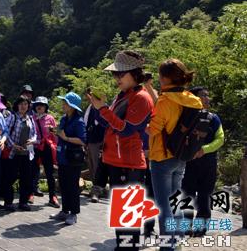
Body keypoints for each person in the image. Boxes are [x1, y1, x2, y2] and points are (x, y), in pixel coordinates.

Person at [87, 50, 154, 250]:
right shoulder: (123, 95)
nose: (116, 78)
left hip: (130, 164)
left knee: (129, 221)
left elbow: (127, 129)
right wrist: (99, 108)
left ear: (134, 73)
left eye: (120, 74)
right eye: (115, 74)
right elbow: (110, 125)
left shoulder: (142, 98)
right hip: (116, 161)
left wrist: (103, 109)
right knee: (121, 219)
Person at [146, 59, 202, 251]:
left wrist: (147, 126)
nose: (159, 78)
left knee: (164, 206)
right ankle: (177, 241)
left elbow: (154, 130)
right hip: (181, 156)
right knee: (175, 201)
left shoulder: (164, 101)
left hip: (162, 158)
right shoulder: (192, 99)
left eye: (161, 75)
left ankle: (167, 247)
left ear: (167, 78)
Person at [181, 86, 224, 237]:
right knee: (187, 195)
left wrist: (204, 150)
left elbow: (220, 139)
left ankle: (200, 228)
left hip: (208, 163)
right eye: (203, 95)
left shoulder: (214, 118)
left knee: (205, 196)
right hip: (188, 163)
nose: (207, 98)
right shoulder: (186, 117)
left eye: (207, 95)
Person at [51, 92, 86, 226]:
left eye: (65, 103)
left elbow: (82, 140)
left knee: (72, 187)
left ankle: (74, 213)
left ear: (72, 106)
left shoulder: (79, 121)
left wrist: (66, 138)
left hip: (73, 159)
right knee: (63, 185)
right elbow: (61, 132)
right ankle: (65, 211)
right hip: (63, 158)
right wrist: (55, 132)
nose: (63, 105)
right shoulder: (65, 118)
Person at [1, 95, 37, 211]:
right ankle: (8, 202)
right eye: (21, 104)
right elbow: (5, 132)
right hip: (13, 152)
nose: (23, 106)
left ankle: (23, 202)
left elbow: (35, 134)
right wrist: (13, 145)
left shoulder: (30, 118)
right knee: (9, 178)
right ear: (17, 105)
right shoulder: (12, 117)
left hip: (27, 153)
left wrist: (32, 140)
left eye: (25, 104)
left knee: (26, 178)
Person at [31, 96, 59, 208]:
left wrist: (56, 148)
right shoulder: (31, 118)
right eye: (37, 105)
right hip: (34, 147)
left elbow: (55, 135)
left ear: (45, 107)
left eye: (42, 105)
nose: (39, 107)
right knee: (32, 171)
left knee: (49, 173)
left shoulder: (50, 118)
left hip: (47, 148)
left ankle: (52, 196)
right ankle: (30, 193)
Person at [84, 103, 106, 203]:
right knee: (91, 165)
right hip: (91, 140)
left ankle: (98, 190)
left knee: (98, 165)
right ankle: (95, 187)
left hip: (100, 140)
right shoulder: (89, 108)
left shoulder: (103, 106)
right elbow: (86, 123)